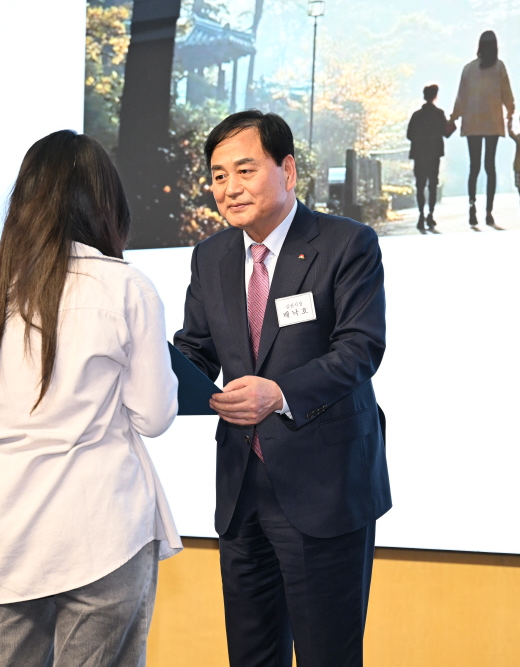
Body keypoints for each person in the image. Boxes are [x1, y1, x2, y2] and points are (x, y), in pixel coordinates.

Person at [0, 130, 181, 667]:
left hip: (6, 533)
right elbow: (154, 415)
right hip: (102, 528)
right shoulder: (125, 287)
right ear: (105, 203)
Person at [174, 110, 390, 667]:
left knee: (327, 656)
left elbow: (360, 348)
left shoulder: (347, 244)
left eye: (245, 170)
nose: (229, 187)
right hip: (242, 488)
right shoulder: (210, 257)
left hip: (324, 487)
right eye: (218, 175)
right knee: (251, 655)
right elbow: (197, 347)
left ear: (287, 171)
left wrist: (278, 393)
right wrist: (159, 373)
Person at [449, 30, 516, 227]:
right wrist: (510, 112)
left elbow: (461, 97)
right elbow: (507, 93)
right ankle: (489, 211)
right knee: (490, 166)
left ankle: (472, 207)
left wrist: (453, 118)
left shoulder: (469, 69)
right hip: (493, 122)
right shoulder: (499, 67)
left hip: (472, 122)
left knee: (474, 166)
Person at [406, 84, 448, 232]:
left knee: (420, 185)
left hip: (419, 153)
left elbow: (409, 135)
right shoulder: (439, 114)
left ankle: (421, 214)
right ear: (435, 96)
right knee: (432, 185)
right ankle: (430, 214)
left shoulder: (416, 115)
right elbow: (446, 133)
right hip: (434, 153)